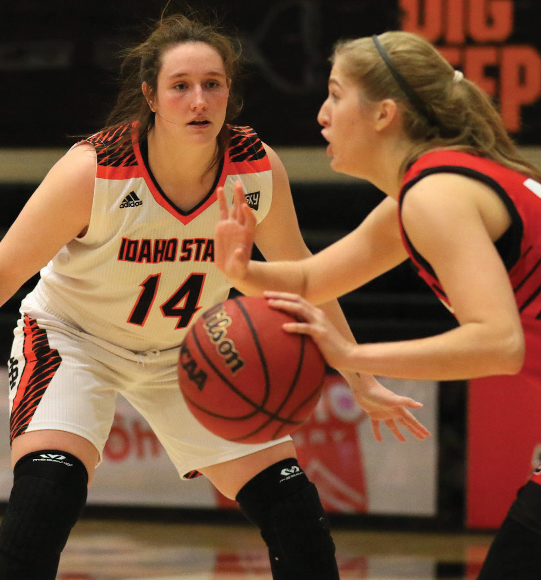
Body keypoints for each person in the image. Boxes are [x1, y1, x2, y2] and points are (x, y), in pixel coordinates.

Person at [0, 15, 428, 580]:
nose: (199, 100)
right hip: (76, 340)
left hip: (190, 353)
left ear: (230, 94)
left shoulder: (255, 169)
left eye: (212, 85)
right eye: (180, 86)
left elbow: (306, 277)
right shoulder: (93, 171)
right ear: (150, 95)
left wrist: (361, 379)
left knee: (292, 508)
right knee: (49, 489)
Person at [215, 30, 541, 580]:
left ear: (385, 113)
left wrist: (352, 353)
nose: (322, 113)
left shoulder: (435, 197)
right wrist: (240, 269)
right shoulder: (431, 189)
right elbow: (311, 277)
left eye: (337, 95)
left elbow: (498, 343)